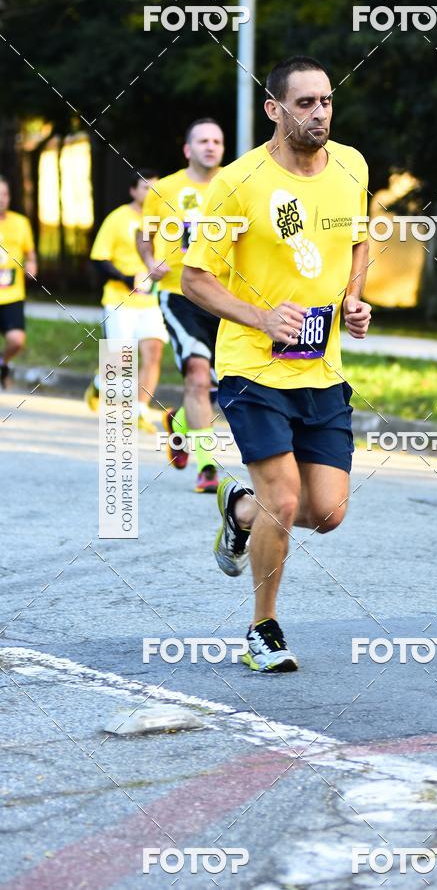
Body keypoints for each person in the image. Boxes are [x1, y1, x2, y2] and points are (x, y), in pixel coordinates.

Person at [181, 56, 372, 671]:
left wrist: (353, 296)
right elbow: (193, 279)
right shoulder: (238, 184)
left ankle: (239, 509)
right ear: (275, 110)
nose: (319, 113)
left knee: (328, 512)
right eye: (305, 103)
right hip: (252, 368)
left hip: (321, 371)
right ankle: (263, 628)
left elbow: (361, 234)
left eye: (326, 101)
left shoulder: (351, 165)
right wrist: (258, 318)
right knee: (284, 500)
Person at [137, 119, 229, 493]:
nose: (211, 146)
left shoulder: (236, 183)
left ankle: (178, 425)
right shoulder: (165, 189)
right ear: (188, 149)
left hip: (225, 296)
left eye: (217, 141)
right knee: (197, 373)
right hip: (180, 293)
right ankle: (208, 467)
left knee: (229, 386)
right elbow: (144, 235)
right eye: (203, 141)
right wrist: (149, 263)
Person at [85, 169, 166, 433]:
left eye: (156, 188)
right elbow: (98, 258)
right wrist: (126, 277)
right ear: (133, 191)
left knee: (153, 353)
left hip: (152, 301)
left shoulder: (165, 222)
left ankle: (140, 410)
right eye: (145, 188)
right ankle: (99, 384)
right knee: (120, 360)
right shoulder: (117, 219)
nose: (150, 193)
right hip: (120, 299)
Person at [0, 176, 37, 388]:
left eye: (5, 194)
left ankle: (2, 362)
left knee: (17, 340)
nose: (1, 199)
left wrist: (32, 266)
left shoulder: (20, 223)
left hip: (12, 294)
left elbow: (30, 254)